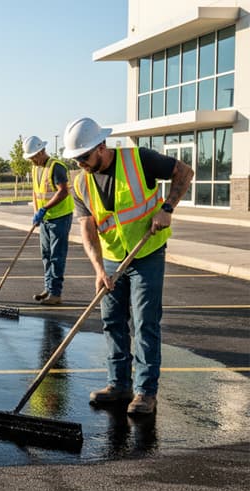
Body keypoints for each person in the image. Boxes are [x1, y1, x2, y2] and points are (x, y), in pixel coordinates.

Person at [63, 117, 193, 415]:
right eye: (76, 159)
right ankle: (118, 384)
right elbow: (87, 229)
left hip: (147, 252)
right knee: (112, 322)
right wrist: (98, 269)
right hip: (111, 258)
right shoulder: (81, 182)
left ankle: (146, 392)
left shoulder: (139, 159)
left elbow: (185, 172)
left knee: (145, 322)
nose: (81, 164)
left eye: (84, 157)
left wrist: (167, 208)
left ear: (101, 146)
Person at [23, 135, 74, 305]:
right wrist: (37, 212)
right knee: (46, 255)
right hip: (45, 218)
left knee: (57, 256)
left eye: (33, 157)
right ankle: (48, 288)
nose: (32, 161)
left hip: (60, 217)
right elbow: (36, 192)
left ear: (41, 151)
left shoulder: (56, 167)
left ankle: (55, 293)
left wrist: (45, 209)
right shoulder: (35, 168)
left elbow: (63, 191)